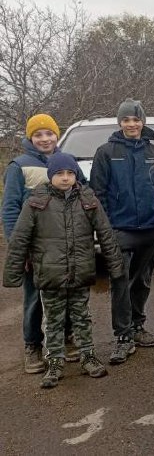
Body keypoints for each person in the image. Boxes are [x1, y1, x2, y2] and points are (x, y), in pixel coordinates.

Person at [3, 153, 124, 389]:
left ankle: (88, 355)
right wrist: (13, 274)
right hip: (50, 273)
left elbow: (106, 234)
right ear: (51, 176)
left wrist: (115, 266)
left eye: (70, 173)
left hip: (80, 271)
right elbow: (20, 238)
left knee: (82, 317)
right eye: (60, 173)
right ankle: (55, 361)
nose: (65, 178)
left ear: (76, 175)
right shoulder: (36, 202)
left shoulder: (88, 199)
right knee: (53, 321)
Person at [2, 114, 84, 374]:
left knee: (68, 293)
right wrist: (19, 247)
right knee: (34, 298)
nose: (45, 139)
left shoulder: (67, 161)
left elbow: (84, 193)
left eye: (48, 133)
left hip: (66, 244)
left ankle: (67, 340)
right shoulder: (19, 166)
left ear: (56, 134)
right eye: (38, 134)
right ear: (30, 137)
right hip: (36, 248)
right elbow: (10, 209)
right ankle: (33, 345)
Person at [90, 98, 154, 364]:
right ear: (119, 122)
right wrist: (106, 228)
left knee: (142, 281)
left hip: (150, 228)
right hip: (119, 229)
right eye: (126, 120)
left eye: (136, 120)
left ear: (142, 122)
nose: (132, 124)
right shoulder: (106, 152)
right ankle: (122, 336)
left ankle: (137, 326)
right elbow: (98, 194)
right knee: (120, 282)